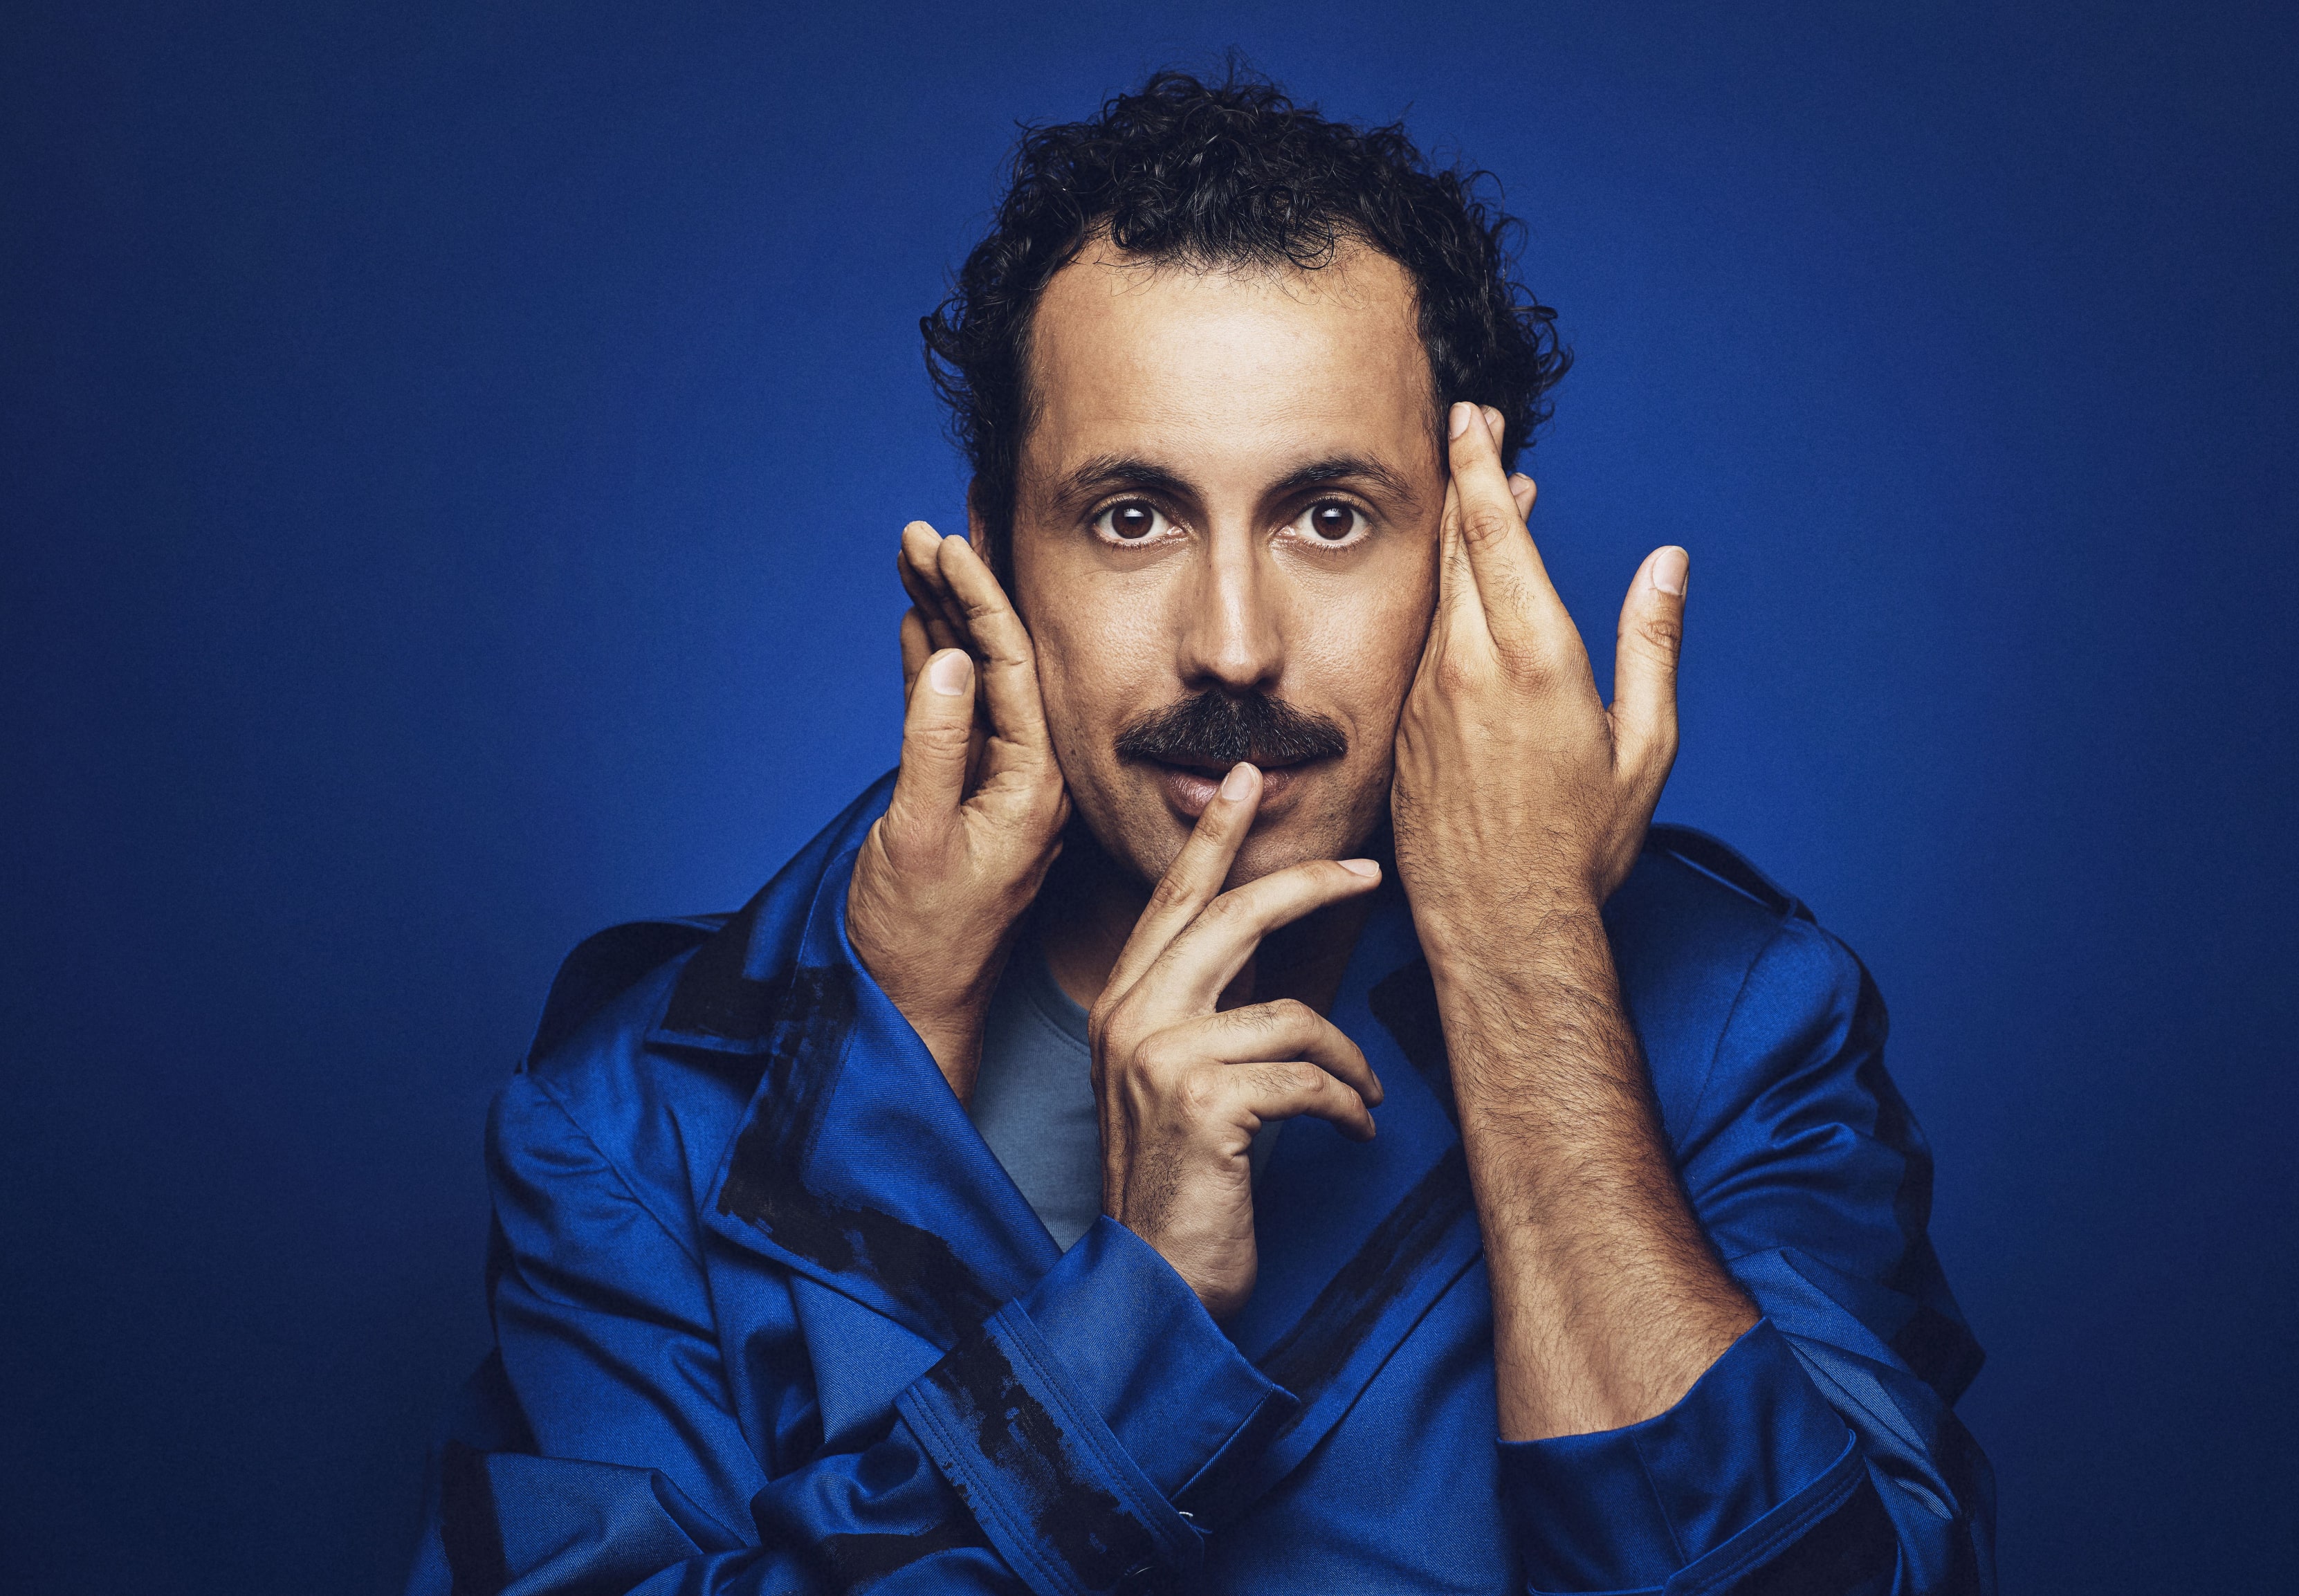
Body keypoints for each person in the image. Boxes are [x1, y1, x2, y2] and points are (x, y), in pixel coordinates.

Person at [405, 68, 1993, 1596]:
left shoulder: (1736, 1027)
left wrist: (1523, 969)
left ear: (1472, 550)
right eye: (1131, 516)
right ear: (991, 561)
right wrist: (1136, 1320)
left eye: (1327, 516)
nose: (1231, 645)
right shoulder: (640, 1124)